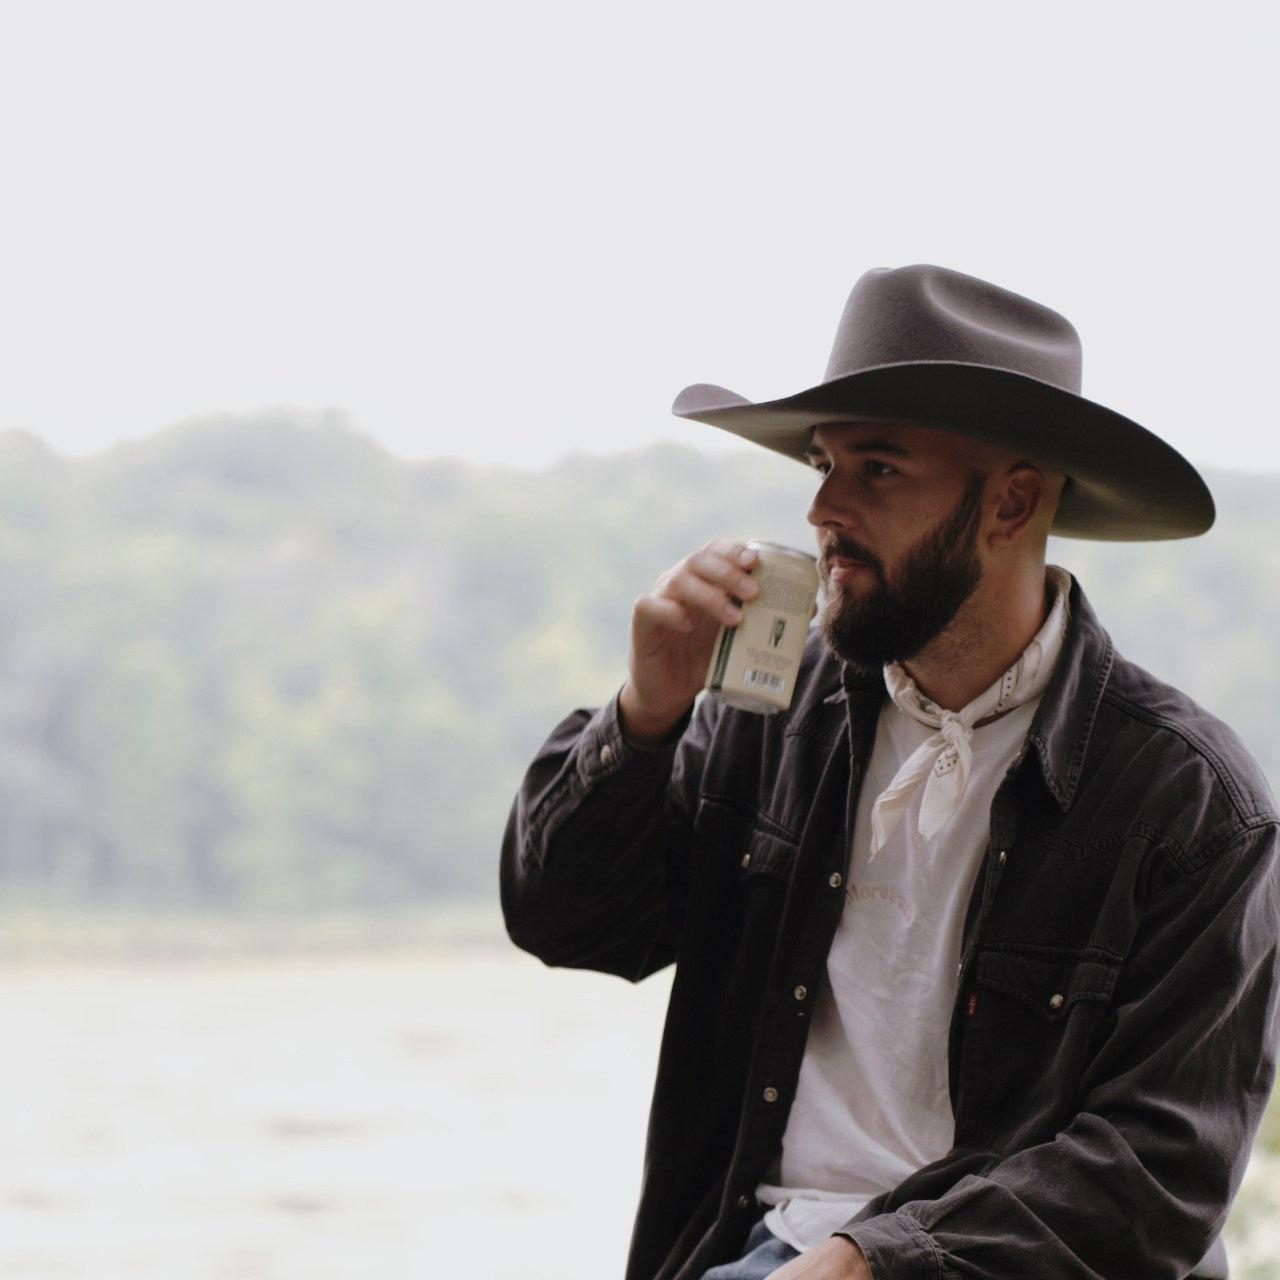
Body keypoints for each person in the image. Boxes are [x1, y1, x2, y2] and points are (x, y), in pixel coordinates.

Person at [500, 264, 1280, 1280]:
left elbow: (1154, 1172)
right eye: (820, 464)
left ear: (1008, 502)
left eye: (875, 469)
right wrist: (644, 713)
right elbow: (567, 924)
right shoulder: (768, 711)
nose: (822, 507)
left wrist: (872, 1259)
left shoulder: (1188, 800)